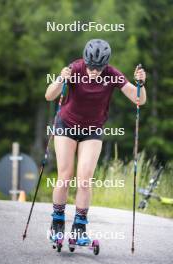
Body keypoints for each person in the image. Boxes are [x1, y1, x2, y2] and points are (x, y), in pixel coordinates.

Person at [45, 39, 146, 245]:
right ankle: (57, 223)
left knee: (85, 179)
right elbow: (49, 96)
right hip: (66, 125)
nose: (93, 71)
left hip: (92, 130)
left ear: (105, 64)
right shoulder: (74, 68)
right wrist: (60, 80)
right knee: (65, 175)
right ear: (85, 60)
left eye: (98, 68)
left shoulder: (112, 74)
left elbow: (138, 100)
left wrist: (140, 85)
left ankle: (79, 228)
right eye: (90, 66)